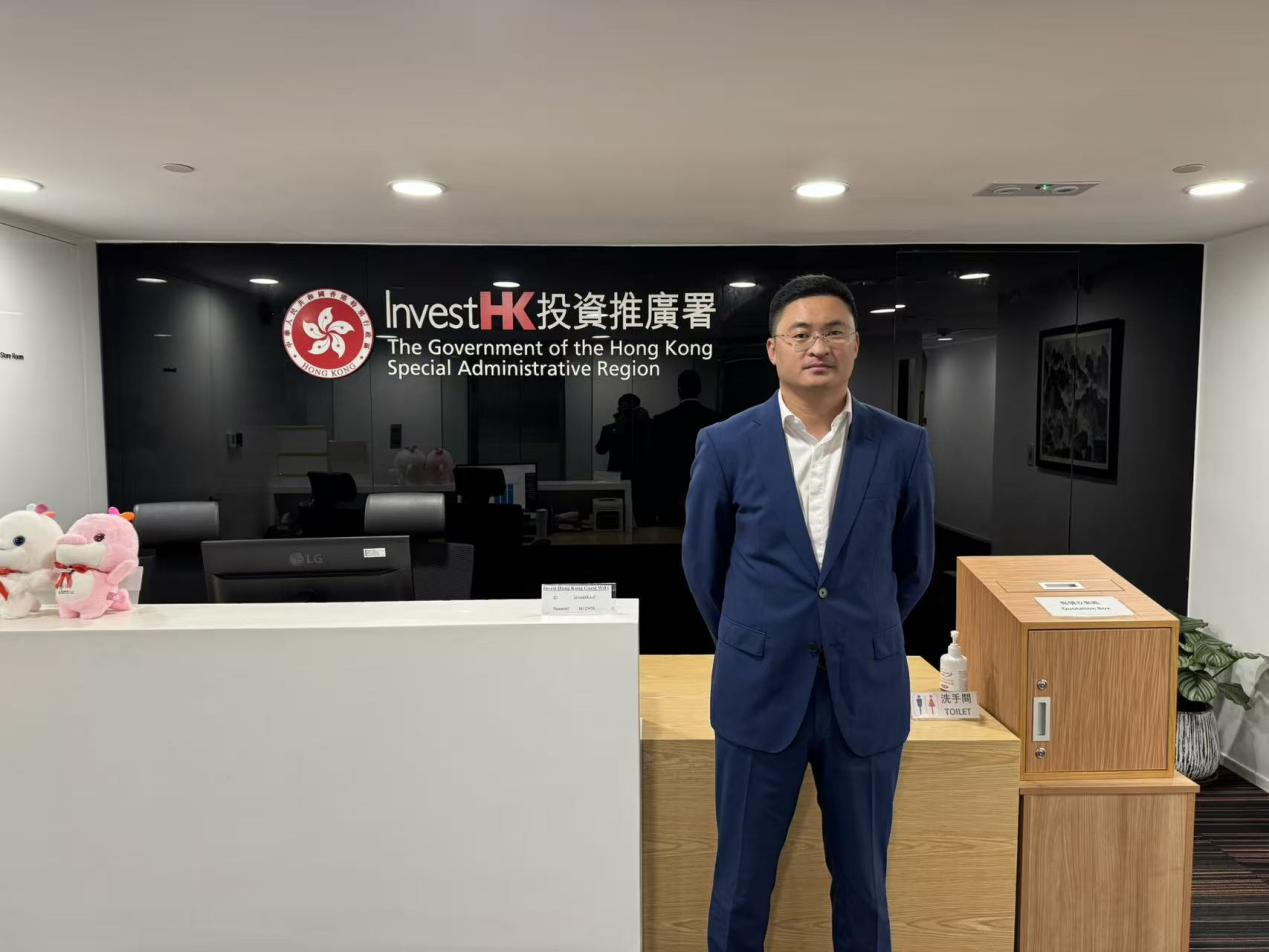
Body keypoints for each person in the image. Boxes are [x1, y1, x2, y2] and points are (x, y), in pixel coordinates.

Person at [682, 274, 935, 952]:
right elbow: (705, 569)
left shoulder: (902, 445)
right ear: (773, 349)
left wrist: (854, 629)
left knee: (864, 885)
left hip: (864, 695)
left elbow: (913, 568)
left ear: (855, 346)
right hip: (759, 691)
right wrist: (758, 639)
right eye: (800, 334)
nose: (817, 346)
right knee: (740, 885)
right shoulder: (726, 444)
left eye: (833, 332)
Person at [652, 369, 721, 526]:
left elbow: (655, 461)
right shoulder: (715, 418)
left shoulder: (662, 421)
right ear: (699, 389)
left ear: (679, 389)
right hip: (707, 491)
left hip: (671, 491)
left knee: (669, 537)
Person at [595, 392, 654, 524]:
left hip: (639, 479)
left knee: (642, 518)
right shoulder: (611, 429)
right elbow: (600, 449)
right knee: (617, 518)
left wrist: (645, 422)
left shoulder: (646, 427)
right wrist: (617, 428)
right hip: (622, 479)